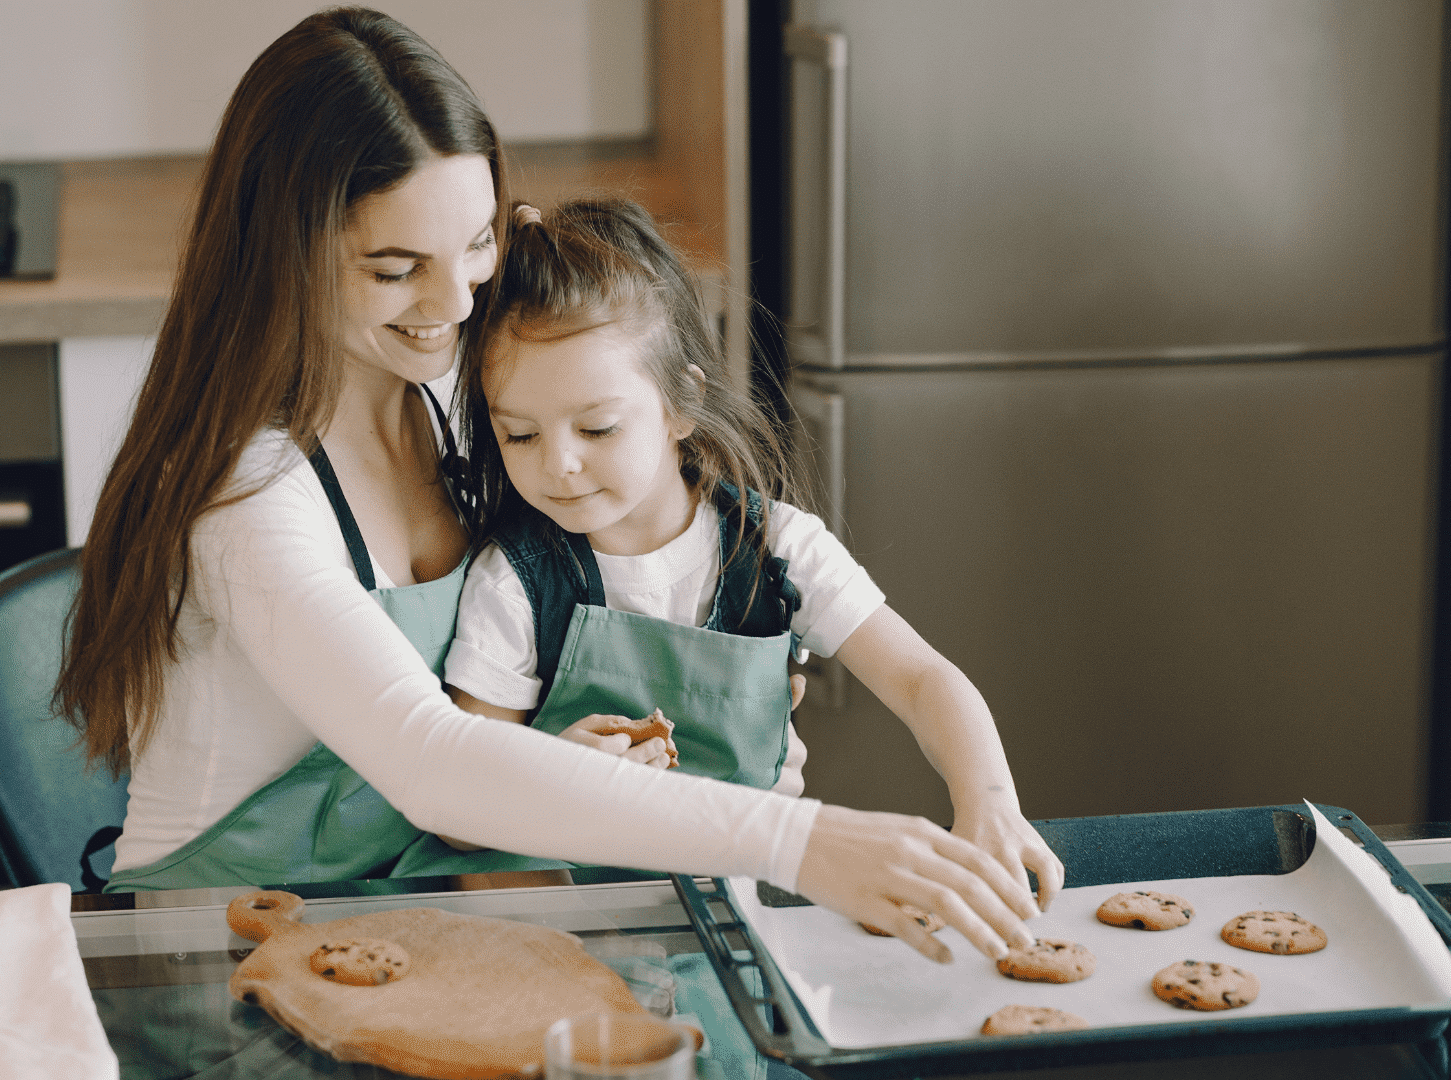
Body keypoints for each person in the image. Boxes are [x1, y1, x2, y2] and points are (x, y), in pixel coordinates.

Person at [56, 5, 1050, 966]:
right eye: (398, 268)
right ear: (289, 251)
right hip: (219, 958)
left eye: (477, 244)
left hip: (413, 912)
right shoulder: (253, 493)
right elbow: (428, 757)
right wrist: (806, 843)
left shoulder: (458, 400)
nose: (454, 306)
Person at [393, 198, 1065, 913]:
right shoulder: (516, 583)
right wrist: (553, 771)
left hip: (742, 912)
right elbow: (461, 816)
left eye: (596, 427)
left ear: (682, 402)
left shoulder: (776, 550)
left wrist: (990, 802)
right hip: (571, 930)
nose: (558, 464)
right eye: (520, 436)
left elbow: (922, 680)